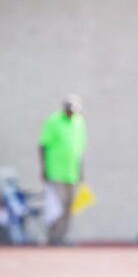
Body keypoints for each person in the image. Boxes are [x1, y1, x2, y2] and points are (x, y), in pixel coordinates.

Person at [39, 94, 87, 245]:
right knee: (56, 207)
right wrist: (44, 168)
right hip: (55, 172)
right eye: (69, 109)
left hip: (71, 172)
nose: (71, 112)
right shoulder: (54, 121)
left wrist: (80, 171)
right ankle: (52, 237)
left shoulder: (79, 122)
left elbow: (79, 150)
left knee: (69, 207)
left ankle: (63, 237)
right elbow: (43, 145)